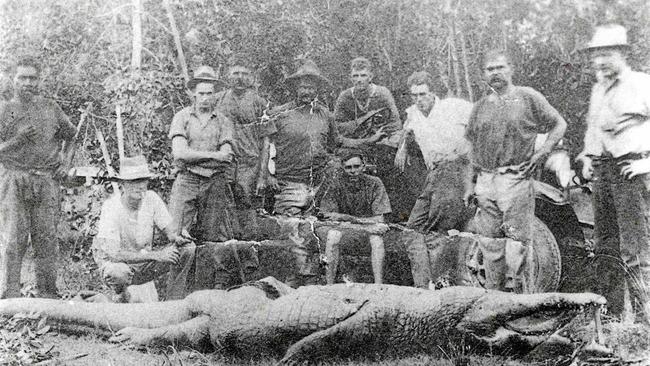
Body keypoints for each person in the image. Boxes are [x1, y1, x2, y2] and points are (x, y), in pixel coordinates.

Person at [463, 50, 567, 292]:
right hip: (486, 181)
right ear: (484, 75)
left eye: (500, 67)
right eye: (490, 69)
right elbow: (472, 148)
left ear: (511, 69)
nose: (495, 73)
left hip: (515, 178)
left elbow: (559, 124)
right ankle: (494, 304)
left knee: (517, 247)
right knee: (489, 244)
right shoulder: (480, 107)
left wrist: (541, 155)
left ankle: (522, 305)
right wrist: (470, 184)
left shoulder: (527, 97)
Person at [577, 24, 650, 323]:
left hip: (630, 170)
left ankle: (645, 323)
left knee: (634, 249)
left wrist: (647, 164)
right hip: (603, 172)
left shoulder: (641, 83)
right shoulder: (598, 89)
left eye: (607, 54)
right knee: (605, 247)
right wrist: (586, 157)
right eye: (596, 55)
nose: (600, 61)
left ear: (622, 53)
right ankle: (613, 319)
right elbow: (594, 128)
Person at [259, 59, 386, 216]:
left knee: (318, 229)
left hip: (319, 184)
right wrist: (267, 176)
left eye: (311, 88)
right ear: (295, 89)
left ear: (317, 90)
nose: (307, 92)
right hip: (289, 183)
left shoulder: (326, 115)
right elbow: (266, 146)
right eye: (303, 87)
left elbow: (338, 142)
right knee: (291, 228)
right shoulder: (278, 114)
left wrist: (369, 141)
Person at [0, 57, 77, 299]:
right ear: (13, 79)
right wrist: (17, 140)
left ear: (39, 80)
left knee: (46, 240)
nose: (28, 83)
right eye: (22, 77)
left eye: (33, 78)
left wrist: (66, 163)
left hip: (46, 181)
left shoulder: (50, 107)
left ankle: (48, 295)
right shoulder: (5, 109)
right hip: (15, 179)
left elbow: (73, 136)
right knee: (14, 239)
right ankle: (11, 296)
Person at [92, 156, 194, 302]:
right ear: (122, 184)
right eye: (134, 181)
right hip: (121, 265)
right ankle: (120, 296)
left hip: (145, 265)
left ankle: (174, 301)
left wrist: (177, 235)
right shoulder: (111, 207)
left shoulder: (151, 199)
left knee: (187, 249)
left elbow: (170, 230)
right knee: (118, 272)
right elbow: (114, 254)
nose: (140, 186)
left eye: (143, 180)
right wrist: (157, 255)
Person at [395, 71, 473, 233]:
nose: (418, 99)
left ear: (433, 93)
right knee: (412, 228)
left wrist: (459, 149)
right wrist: (402, 148)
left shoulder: (452, 106)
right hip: (434, 175)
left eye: (422, 94)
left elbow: (479, 122)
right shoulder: (414, 113)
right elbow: (407, 127)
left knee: (439, 226)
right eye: (414, 95)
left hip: (458, 171)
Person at [168, 65, 237, 242]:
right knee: (177, 233)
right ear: (193, 94)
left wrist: (196, 156)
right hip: (187, 180)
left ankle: (205, 270)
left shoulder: (224, 122)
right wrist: (214, 156)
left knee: (211, 237)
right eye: (201, 93)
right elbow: (180, 154)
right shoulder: (182, 117)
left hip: (214, 182)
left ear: (215, 94)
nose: (205, 98)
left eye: (209, 93)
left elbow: (227, 156)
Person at [333, 57, 405, 222]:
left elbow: (395, 123)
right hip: (356, 145)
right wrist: (362, 122)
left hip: (381, 143)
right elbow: (337, 127)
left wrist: (390, 141)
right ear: (350, 77)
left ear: (370, 76)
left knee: (393, 164)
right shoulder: (345, 97)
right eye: (356, 76)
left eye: (363, 75)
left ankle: (391, 213)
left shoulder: (382, 93)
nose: (359, 80)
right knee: (342, 165)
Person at [215, 54, 269, 232]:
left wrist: (263, 175)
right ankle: (231, 249)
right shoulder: (218, 99)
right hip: (225, 163)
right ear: (228, 76)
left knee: (247, 208)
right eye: (235, 73)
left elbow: (266, 140)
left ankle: (250, 252)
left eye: (244, 73)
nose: (239, 77)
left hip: (249, 164)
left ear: (251, 77)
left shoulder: (260, 103)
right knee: (224, 207)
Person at [319, 152, 391, 284]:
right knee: (333, 235)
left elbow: (379, 219)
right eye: (348, 167)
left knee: (377, 240)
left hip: (366, 231)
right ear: (343, 168)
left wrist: (345, 218)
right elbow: (330, 219)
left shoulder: (375, 183)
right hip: (348, 231)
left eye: (356, 166)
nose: (353, 171)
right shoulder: (336, 184)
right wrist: (362, 223)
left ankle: (378, 286)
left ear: (363, 166)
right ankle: (329, 285)